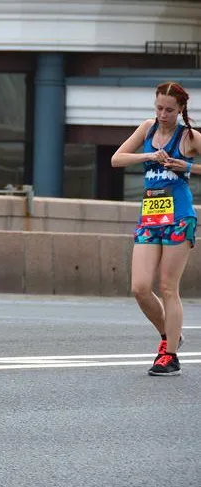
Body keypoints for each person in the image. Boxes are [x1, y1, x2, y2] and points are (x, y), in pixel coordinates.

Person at [112, 81, 201, 376]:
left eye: (169, 110)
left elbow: (191, 166)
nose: (163, 114)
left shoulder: (188, 136)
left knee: (167, 287)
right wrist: (148, 156)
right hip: (150, 217)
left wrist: (186, 166)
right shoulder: (148, 128)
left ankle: (170, 354)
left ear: (180, 110)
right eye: (159, 108)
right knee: (139, 287)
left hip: (179, 217)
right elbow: (116, 159)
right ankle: (170, 334)